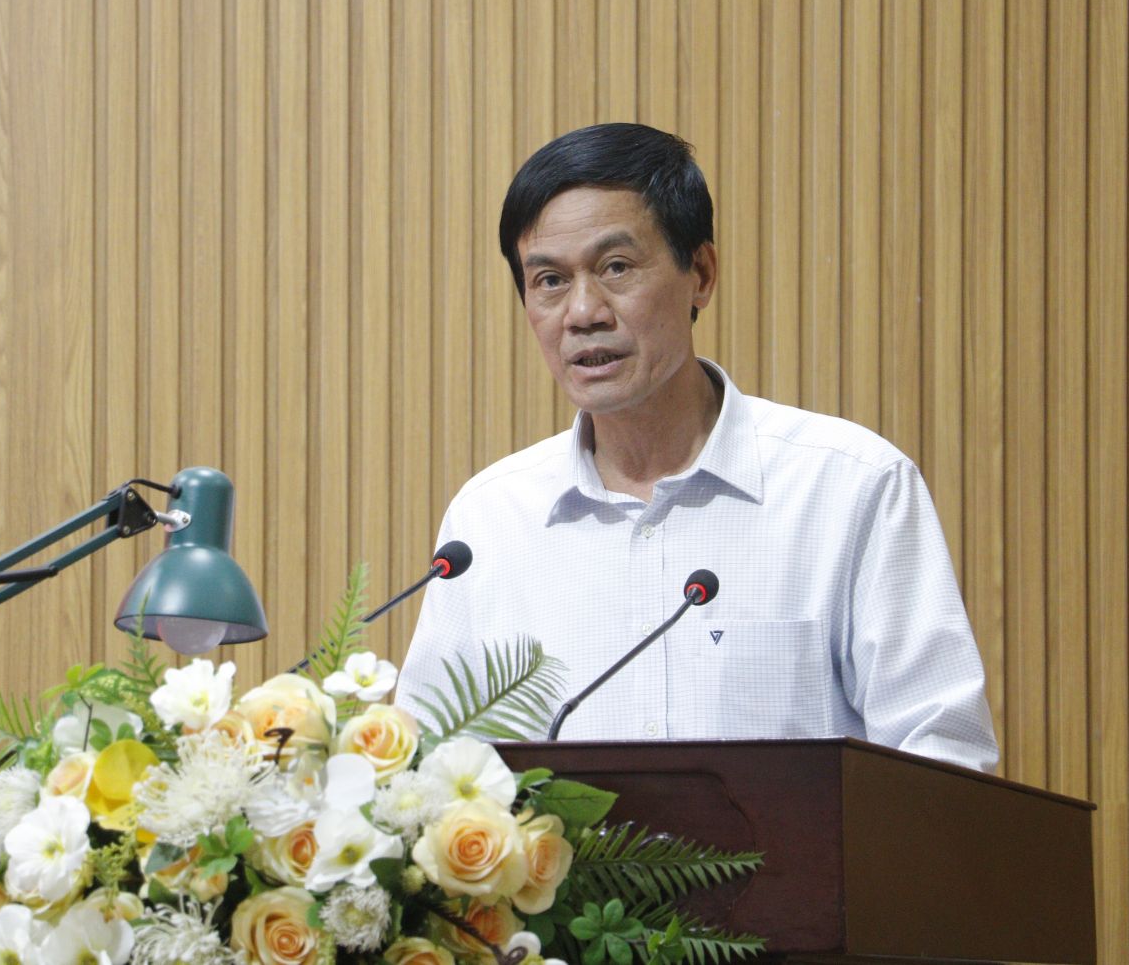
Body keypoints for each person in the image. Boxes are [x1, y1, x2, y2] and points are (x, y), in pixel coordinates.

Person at [397, 123, 998, 773]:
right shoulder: (488, 524)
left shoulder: (850, 488)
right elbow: (427, 776)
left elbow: (943, 759)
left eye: (616, 267)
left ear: (701, 274)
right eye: (549, 280)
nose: (583, 312)